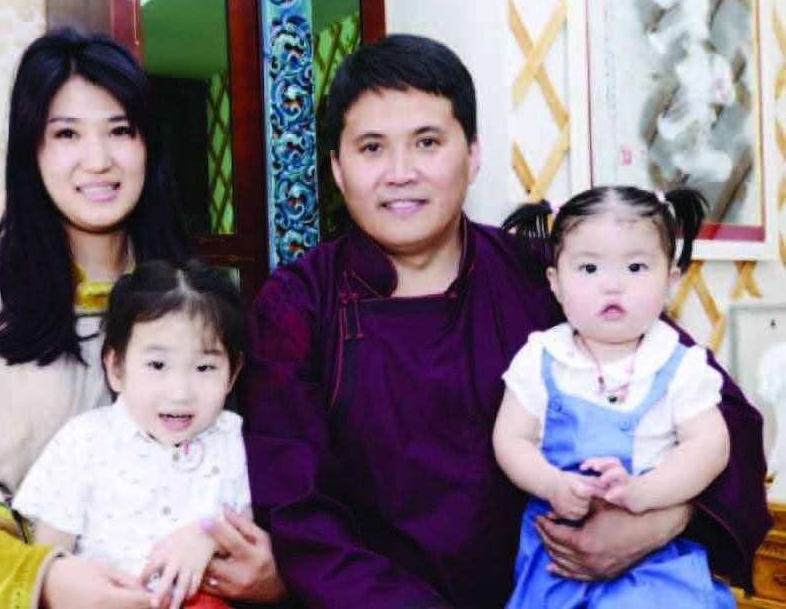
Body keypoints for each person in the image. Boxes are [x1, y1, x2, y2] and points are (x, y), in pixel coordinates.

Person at [241, 34, 769, 607]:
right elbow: (299, 513)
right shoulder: (298, 305)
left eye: (426, 142)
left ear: (472, 154)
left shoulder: (550, 275)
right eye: (372, 148)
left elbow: (726, 423)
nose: (400, 172)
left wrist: (661, 520)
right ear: (338, 169)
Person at [0, 29, 285, 608]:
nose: (98, 160)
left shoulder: (193, 300)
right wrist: (42, 580)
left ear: (148, 146)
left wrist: (269, 574)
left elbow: (245, 472)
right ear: (31, 151)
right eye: (67, 134)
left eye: (120, 131)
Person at [494, 186, 733, 608]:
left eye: (636, 267)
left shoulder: (678, 365)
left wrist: (644, 493)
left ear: (670, 279)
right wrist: (551, 483)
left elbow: (710, 446)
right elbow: (511, 439)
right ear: (556, 283)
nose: (613, 286)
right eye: (589, 268)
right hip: (557, 558)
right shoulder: (542, 358)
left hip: (653, 566)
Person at [13, 259, 251, 609]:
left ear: (233, 372)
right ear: (116, 367)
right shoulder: (84, 442)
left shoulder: (236, 443)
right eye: (157, 365)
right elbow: (50, 558)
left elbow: (251, 535)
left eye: (204, 367)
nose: (180, 392)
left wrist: (209, 537)